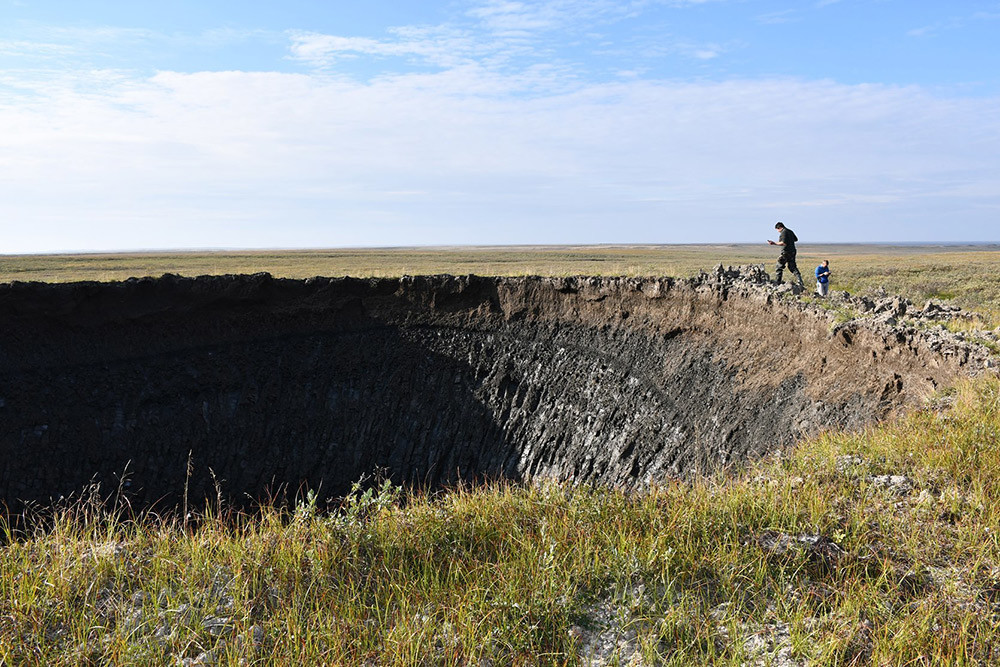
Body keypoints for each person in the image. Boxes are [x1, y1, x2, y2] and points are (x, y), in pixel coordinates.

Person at [767, 222, 804, 287]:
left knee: (779, 267)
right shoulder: (790, 231)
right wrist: (790, 240)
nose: (778, 231)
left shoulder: (783, 232)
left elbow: (783, 243)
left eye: (777, 230)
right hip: (792, 251)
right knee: (792, 267)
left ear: (779, 228)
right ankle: (800, 281)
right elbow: (796, 239)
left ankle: (778, 282)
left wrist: (774, 243)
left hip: (786, 252)